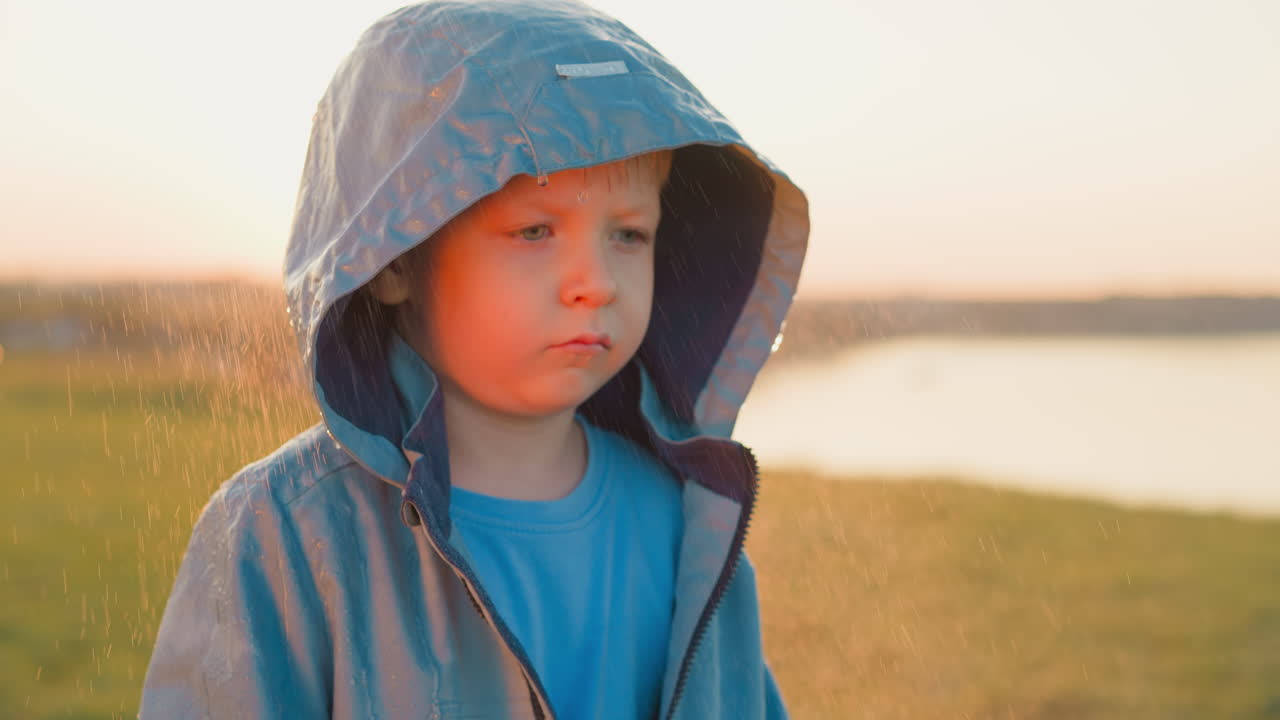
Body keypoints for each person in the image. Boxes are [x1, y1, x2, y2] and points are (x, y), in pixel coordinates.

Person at [140, 0, 809, 717]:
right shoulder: (290, 532)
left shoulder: (690, 531)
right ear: (393, 262)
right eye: (534, 230)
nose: (598, 282)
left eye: (629, 236)